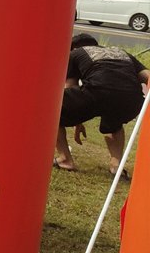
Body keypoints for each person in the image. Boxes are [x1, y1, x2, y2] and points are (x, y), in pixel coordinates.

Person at [55, 33, 149, 177]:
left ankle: (65, 159)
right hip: (131, 99)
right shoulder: (122, 53)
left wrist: (77, 120)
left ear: (74, 47)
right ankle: (116, 167)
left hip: (98, 90)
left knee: (53, 114)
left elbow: (70, 87)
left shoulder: (76, 53)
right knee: (114, 124)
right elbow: (147, 75)